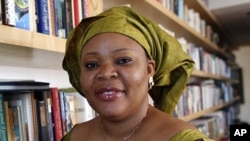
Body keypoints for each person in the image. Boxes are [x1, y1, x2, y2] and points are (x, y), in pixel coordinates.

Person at [62, 6, 213, 141]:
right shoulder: (73, 137)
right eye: (92, 64)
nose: (106, 73)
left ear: (149, 70)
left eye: (123, 60)